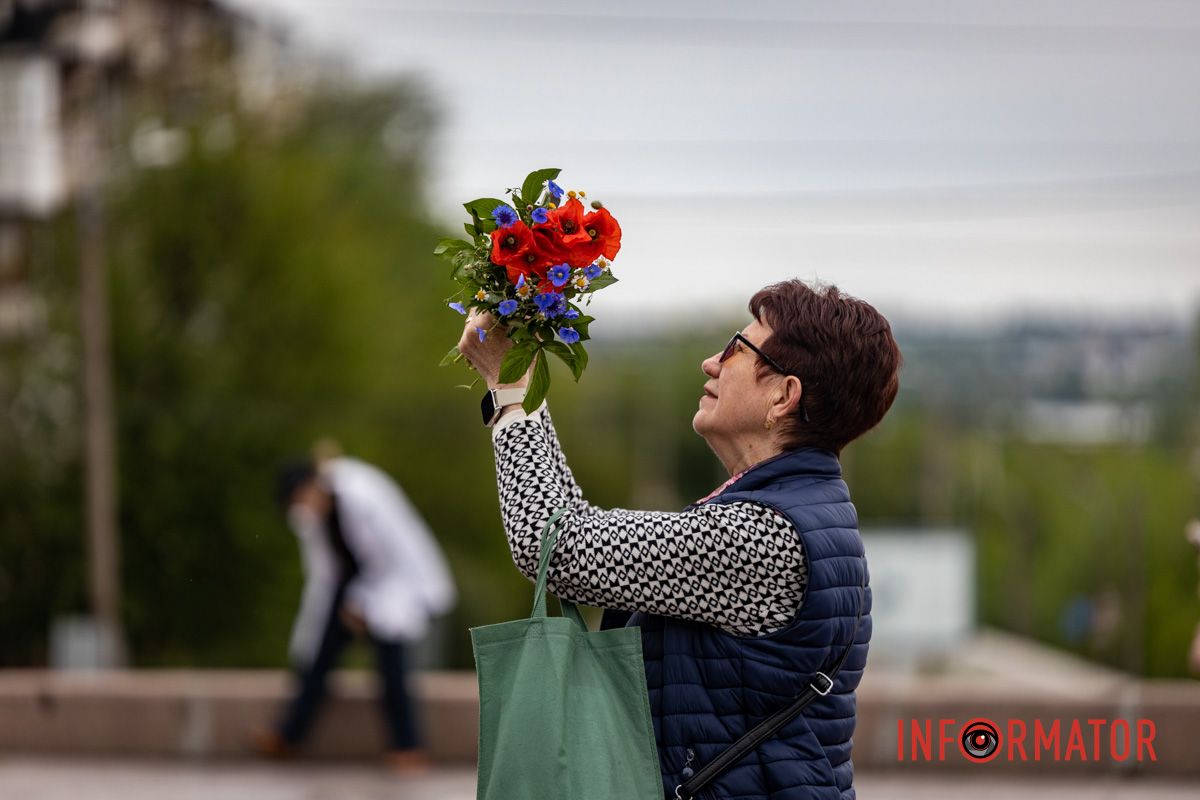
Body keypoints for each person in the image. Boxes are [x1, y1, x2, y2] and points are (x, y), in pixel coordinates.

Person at [457, 279, 901, 800]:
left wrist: (510, 392)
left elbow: (551, 543)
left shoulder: (765, 535)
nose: (711, 362)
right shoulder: (792, 509)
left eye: (738, 348)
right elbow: (568, 529)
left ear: (784, 395)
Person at [254, 453, 457, 771]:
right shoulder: (312, 515)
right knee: (320, 657)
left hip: (395, 585)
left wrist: (362, 605)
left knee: (391, 663)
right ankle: (287, 735)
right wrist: (348, 607)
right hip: (349, 589)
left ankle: (409, 746)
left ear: (312, 486)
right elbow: (322, 574)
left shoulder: (362, 495)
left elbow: (390, 558)